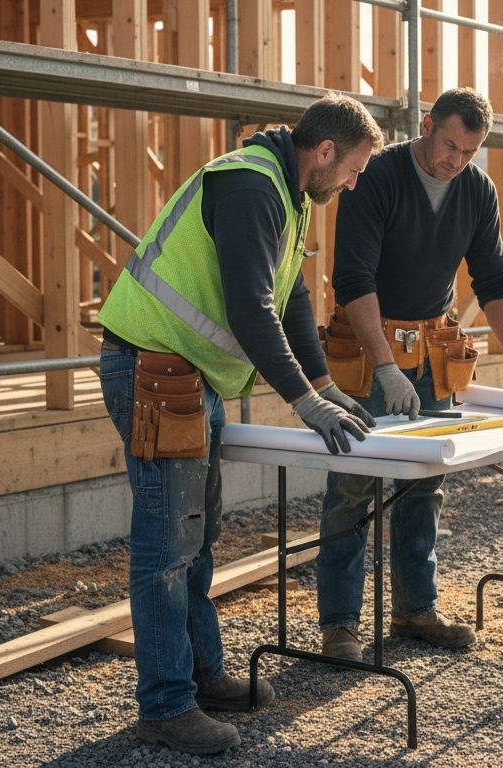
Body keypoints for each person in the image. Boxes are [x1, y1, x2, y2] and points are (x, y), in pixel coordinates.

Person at [96, 93, 383, 755]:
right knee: (167, 549)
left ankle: (200, 677)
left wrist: (322, 385)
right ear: (326, 152)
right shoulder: (253, 186)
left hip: (182, 374)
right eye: (354, 169)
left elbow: (290, 298)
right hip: (152, 371)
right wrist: (304, 403)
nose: (353, 182)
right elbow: (250, 308)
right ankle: (165, 707)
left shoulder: (290, 193)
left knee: (197, 541)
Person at [315, 87, 503, 661]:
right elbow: (353, 279)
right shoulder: (377, 175)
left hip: (432, 351)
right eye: (449, 145)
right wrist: (382, 365)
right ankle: (340, 625)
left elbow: (495, 279)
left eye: (468, 152)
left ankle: (414, 610)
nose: (455, 160)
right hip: (367, 346)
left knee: (424, 482)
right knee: (352, 484)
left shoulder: (476, 189)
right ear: (427, 125)